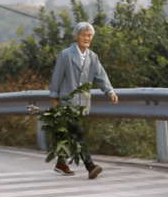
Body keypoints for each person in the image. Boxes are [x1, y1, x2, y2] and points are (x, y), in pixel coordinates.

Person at [49, 22, 118, 179]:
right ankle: (90, 165)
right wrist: (54, 98)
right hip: (67, 102)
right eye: (83, 35)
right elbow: (57, 77)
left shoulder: (92, 57)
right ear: (75, 36)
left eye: (89, 35)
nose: (86, 38)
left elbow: (101, 75)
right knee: (78, 133)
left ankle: (61, 163)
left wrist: (110, 90)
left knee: (70, 134)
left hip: (82, 103)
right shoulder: (65, 55)